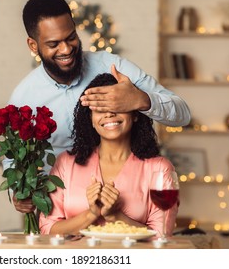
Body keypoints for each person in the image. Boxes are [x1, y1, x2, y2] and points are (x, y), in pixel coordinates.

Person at [7, 0, 190, 213]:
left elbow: (182, 114)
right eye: (54, 43)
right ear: (33, 45)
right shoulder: (23, 97)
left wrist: (141, 99)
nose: (66, 49)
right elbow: (14, 161)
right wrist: (17, 193)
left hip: (125, 203)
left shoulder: (113, 66)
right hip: (60, 210)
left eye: (71, 37)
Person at [39, 73, 179, 236]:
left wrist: (115, 216)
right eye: (100, 108)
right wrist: (91, 214)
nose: (109, 114)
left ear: (135, 115)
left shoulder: (160, 169)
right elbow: (47, 230)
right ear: (90, 118)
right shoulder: (65, 163)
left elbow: (162, 236)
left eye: (118, 106)